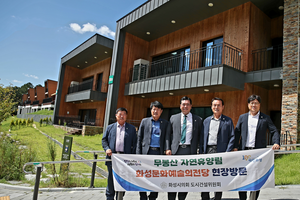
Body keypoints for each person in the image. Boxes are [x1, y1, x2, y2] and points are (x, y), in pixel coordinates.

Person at [234, 94, 280, 200]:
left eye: (256, 103)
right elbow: (237, 133)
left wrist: (276, 142)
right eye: (252, 103)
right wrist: (235, 146)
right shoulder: (243, 117)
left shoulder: (265, 118)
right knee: (242, 176)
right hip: (244, 152)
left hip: (258, 152)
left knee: (255, 177)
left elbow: (274, 131)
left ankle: (253, 198)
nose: (254, 105)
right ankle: (242, 198)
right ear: (248, 105)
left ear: (259, 105)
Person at [166, 96, 203, 200]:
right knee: (173, 177)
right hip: (175, 151)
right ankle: (171, 197)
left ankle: (182, 197)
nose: (185, 106)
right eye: (183, 104)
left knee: (185, 177)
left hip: (189, 151)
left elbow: (200, 136)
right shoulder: (173, 118)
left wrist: (199, 150)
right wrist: (168, 148)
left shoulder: (198, 119)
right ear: (180, 106)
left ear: (191, 106)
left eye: (187, 104)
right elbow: (168, 135)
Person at [200, 97, 235, 200]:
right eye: (214, 105)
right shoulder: (206, 121)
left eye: (219, 105)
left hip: (221, 151)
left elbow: (232, 137)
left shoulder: (228, 121)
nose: (216, 107)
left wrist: (227, 152)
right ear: (211, 107)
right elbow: (202, 137)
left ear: (223, 107)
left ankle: (217, 197)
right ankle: (205, 196)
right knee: (206, 175)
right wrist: (201, 151)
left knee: (218, 176)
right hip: (208, 151)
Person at [136, 101, 170, 200]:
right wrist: (138, 154)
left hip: (158, 153)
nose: (156, 111)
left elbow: (167, 137)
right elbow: (139, 138)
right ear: (151, 110)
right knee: (142, 176)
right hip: (146, 152)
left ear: (161, 111)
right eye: (154, 109)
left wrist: (167, 149)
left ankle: (153, 196)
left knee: (156, 176)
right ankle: (143, 196)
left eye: (158, 109)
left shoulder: (165, 123)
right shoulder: (144, 121)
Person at [102, 107, 137, 200]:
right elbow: (104, 140)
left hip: (125, 159)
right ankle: (109, 197)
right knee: (111, 179)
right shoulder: (110, 127)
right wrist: (107, 149)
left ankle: (120, 197)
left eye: (124, 114)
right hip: (112, 157)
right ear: (116, 116)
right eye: (120, 114)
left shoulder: (132, 129)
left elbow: (135, 144)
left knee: (123, 180)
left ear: (126, 116)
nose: (122, 116)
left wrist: (132, 158)